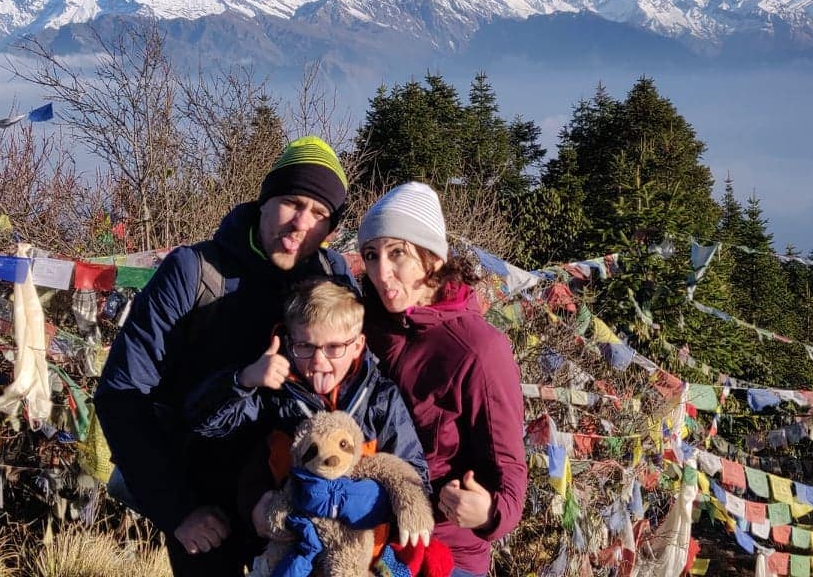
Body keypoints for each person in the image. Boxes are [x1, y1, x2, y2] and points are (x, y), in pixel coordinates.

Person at [95, 137, 353, 576]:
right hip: (206, 510)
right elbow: (121, 394)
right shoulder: (194, 272)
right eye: (292, 202)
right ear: (264, 200)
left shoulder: (333, 280)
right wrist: (177, 510)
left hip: (300, 505)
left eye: (320, 215)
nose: (301, 224)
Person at [183, 278, 431, 553]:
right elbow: (206, 423)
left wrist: (373, 503)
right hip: (291, 552)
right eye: (305, 346)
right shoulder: (275, 393)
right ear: (289, 343)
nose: (318, 362)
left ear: (358, 345)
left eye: (334, 348)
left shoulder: (380, 398)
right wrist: (243, 380)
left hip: (364, 555)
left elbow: (413, 471)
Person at [357, 182, 528, 576]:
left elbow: (509, 470)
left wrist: (488, 512)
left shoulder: (478, 348)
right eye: (371, 254)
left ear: (432, 258)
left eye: (397, 252)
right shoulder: (364, 326)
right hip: (363, 538)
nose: (381, 272)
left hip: (443, 554)